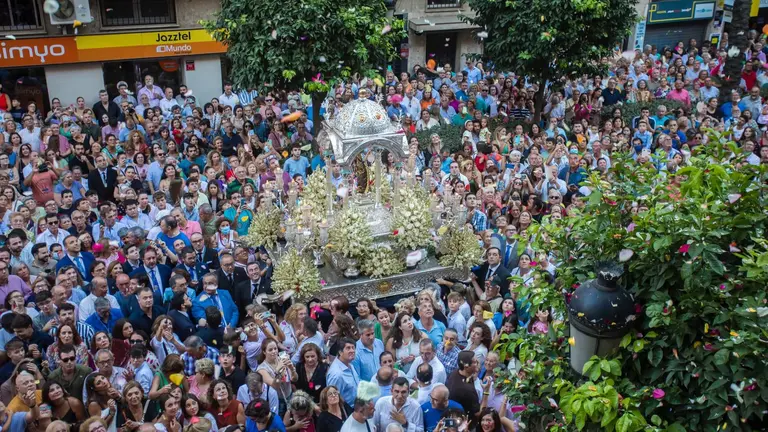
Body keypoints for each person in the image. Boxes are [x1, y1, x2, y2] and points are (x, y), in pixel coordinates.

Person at [326, 338, 359, 407]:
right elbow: (333, 399)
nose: (352, 351)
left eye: (353, 348)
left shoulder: (350, 364)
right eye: (348, 348)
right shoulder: (337, 374)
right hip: (346, 412)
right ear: (340, 352)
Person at [445, 351, 479, 416]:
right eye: (474, 362)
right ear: (466, 367)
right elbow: (477, 413)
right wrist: (486, 392)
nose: (477, 363)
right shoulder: (467, 390)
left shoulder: (455, 372)